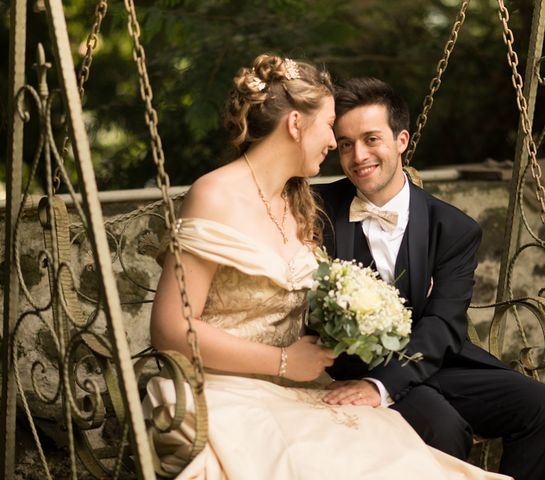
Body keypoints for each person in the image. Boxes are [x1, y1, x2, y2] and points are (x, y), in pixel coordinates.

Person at [144, 55, 512, 479]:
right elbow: (171, 329)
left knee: (405, 459)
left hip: (301, 387)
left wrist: (381, 310)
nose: (336, 143)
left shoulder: (299, 204)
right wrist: (283, 362)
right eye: (329, 125)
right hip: (224, 390)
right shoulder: (214, 194)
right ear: (296, 124)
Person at [315, 77, 545, 480]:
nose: (358, 155)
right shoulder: (317, 210)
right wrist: (371, 383)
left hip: (436, 360)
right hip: (350, 366)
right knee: (443, 427)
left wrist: (382, 386)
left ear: (401, 140)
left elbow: (442, 324)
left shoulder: (452, 227)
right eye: (345, 144)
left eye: (371, 139)